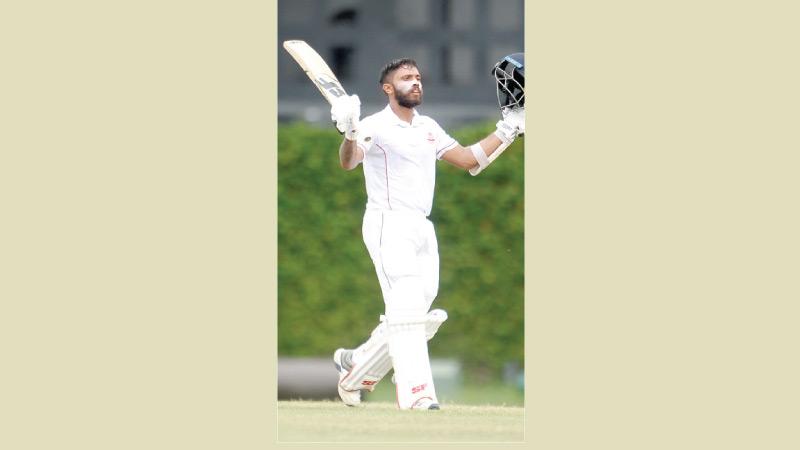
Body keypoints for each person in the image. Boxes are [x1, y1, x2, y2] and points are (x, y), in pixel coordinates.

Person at [329, 55, 525, 410]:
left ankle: (355, 364)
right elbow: (349, 160)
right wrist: (347, 132)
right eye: (406, 78)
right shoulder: (374, 125)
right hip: (389, 223)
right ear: (388, 88)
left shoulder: (428, 127)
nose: (416, 82)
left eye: (418, 77)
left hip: (422, 226)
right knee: (405, 308)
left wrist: (508, 129)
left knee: (417, 314)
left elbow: (469, 161)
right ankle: (418, 395)